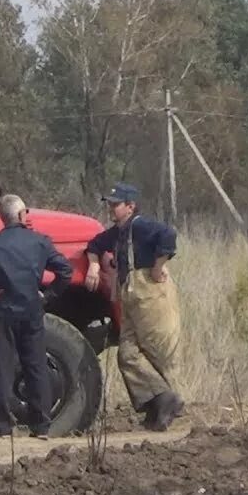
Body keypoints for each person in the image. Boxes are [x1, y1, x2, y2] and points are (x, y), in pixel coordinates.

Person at [0, 194, 74, 439]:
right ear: (22, 215)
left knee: (2, 367)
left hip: (4, 310)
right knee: (36, 366)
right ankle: (41, 425)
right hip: (32, 308)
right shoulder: (40, 242)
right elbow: (65, 271)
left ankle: (1, 425)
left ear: (3, 218)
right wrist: (48, 295)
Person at [83, 182, 184, 431]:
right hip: (130, 294)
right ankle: (159, 400)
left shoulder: (140, 226)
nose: (111, 209)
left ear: (131, 206)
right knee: (127, 354)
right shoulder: (118, 232)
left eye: (116, 205)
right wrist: (94, 265)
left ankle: (167, 407)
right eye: (110, 204)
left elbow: (168, 235)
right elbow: (94, 245)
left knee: (156, 350)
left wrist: (158, 266)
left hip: (149, 290)